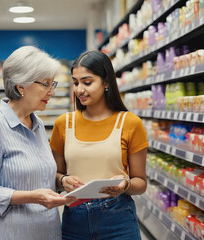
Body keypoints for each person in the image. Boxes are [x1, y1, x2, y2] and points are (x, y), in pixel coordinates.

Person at [0, 46, 74, 240]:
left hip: (45, 231)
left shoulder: (38, 125)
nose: (51, 92)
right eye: (46, 84)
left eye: (53, 84)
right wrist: (33, 197)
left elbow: (36, 175)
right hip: (10, 233)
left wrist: (61, 181)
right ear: (21, 86)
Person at [50, 50, 149, 240]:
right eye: (75, 82)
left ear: (105, 82)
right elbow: (54, 176)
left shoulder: (130, 123)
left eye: (87, 82)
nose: (79, 90)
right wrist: (63, 180)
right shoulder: (64, 124)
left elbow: (141, 182)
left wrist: (124, 185)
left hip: (118, 218)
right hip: (75, 219)